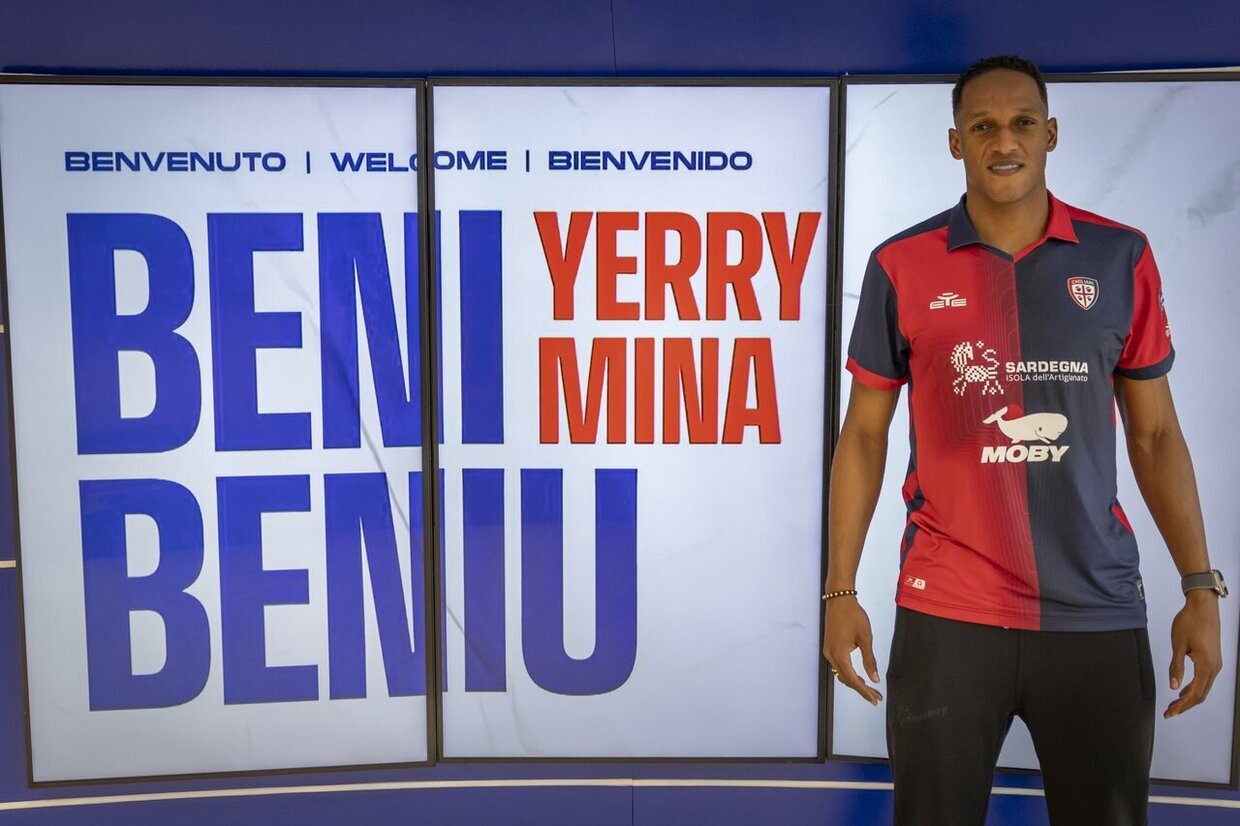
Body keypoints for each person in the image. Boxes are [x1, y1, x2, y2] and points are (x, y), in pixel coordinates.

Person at [822, 55, 1225, 826]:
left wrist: (1199, 588)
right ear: (955, 142)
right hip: (949, 614)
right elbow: (864, 436)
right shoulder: (900, 264)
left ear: (1051, 134)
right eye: (982, 126)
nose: (1003, 141)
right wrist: (840, 593)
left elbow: (1156, 433)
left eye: (1021, 123)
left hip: (1096, 611)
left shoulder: (1120, 256)